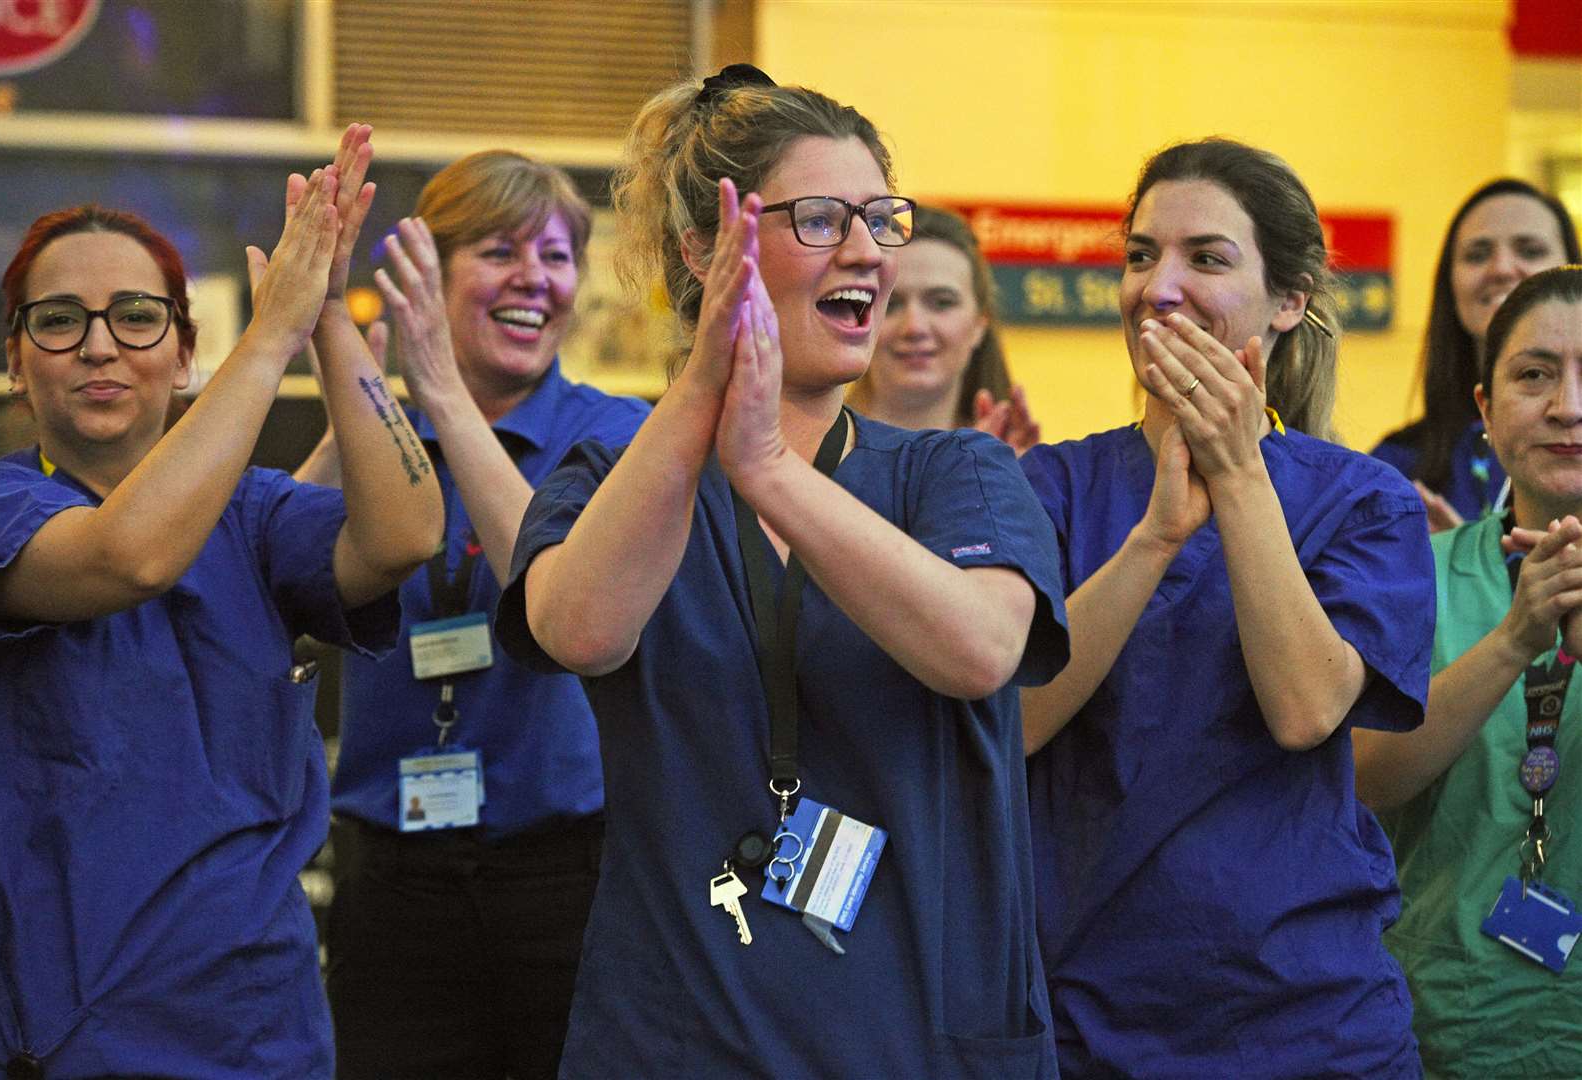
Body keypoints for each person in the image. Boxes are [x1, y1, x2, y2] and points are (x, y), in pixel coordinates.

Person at [493, 65, 1069, 1078]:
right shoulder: (610, 475)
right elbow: (579, 629)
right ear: (707, 251)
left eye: (879, 218)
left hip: (918, 1042)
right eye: (817, 218)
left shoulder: (953, 469)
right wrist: (710, 401)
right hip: (680, 1045)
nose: (863, 250)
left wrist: (765, 468)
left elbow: (980, 650)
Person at [0, 125, 443, 1077]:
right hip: (62, 1039)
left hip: (254, 1031)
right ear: (16, 364)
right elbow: (128, 557)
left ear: (182, 354)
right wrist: (269, 338)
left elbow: (404, 534)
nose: (99, 346)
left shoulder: (253, 515)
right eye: (58, 321)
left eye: (137, 316)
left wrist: (325, 318)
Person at [1020, 137, 1434, 1078]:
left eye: (1205, 259)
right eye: (1138, 256)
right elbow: (1014, 721)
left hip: (1308, 1025)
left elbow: (1304, 709)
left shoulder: (1364, 500)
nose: (1157, 287)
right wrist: (1154, 539)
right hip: (1086, 1022)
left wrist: (1238, 473)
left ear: (1289, 300)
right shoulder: (1049, 486)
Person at [297, 150, 649, 1079]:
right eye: (500, 250)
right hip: (392, 877)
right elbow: (267, 607)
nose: (536, 277)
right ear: (426, 272)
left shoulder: (613, 434)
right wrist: (351, 421)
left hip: (567, 874)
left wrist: (439, 394)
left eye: (559, 255)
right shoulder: (377, 428)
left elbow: (554, 593)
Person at [1355, 265, 1582, 1079]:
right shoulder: (1416, 572)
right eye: (1532, 375)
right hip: (1440, 1028)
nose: (1567, 406)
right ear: (1484, 411)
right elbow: (1366, 778)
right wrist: (1515, 637)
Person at [1372, 179, 1578, 531]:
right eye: (1478, 254)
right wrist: (1451, 566)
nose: (1501, 269)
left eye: (1529, 250)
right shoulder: (1396, 467)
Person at [848, 204, 1039, 452]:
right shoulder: (801, 456)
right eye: (891, 303)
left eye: (942, 302)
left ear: (980, 324)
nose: (914, 327)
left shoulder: (1013, 462)